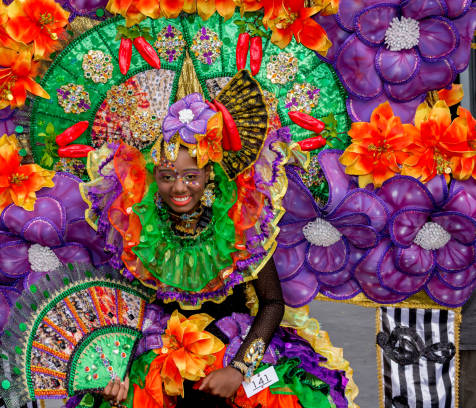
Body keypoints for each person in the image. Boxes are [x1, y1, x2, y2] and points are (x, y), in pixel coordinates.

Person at [79, 71, 355, 408]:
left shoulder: (240, 225)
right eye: (167, 177)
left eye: (190, 176)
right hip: (162, 371)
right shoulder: (136, 229)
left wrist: (240, 370)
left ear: (209, 174)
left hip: (236, 361)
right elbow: (125, 313)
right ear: (153, 177)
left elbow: (272, 304)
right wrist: (116, 373)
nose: (178, 188)